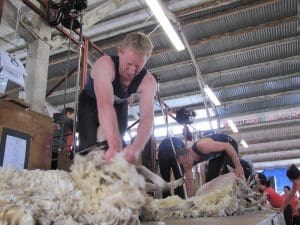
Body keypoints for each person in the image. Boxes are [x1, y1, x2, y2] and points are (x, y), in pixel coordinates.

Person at [78, 32, 157, 164]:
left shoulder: (148, 82)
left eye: (138, 66)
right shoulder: (105, 65)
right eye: (129, 64)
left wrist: (137, 147)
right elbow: (104, 106)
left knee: (116, 147)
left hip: (120, 104)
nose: (132, 71)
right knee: (88, 146)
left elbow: (147, 118)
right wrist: (114, 142)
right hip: (90, 101)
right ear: (119, 52)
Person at [173, 133, 245, 197]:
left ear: (189, 153)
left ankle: (242, 193)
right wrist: (190, 199)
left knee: (230, 172)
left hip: (228, 145)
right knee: (210, 177)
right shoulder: (187, 162)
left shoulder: (202, 146)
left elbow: (227, 146)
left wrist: (238, 166)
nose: (186, 165)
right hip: (217, 155)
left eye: (186, 162)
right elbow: (189, 181)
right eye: (183, 163)